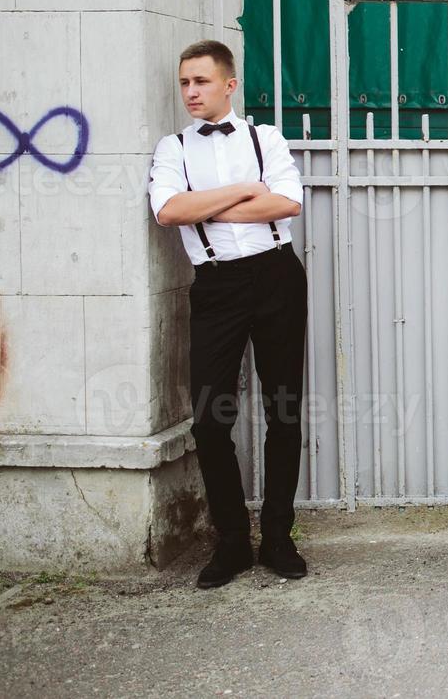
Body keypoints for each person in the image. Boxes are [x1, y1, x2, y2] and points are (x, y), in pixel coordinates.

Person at [148, 39, 309, 589]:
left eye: (201, 82)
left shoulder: (266, 138)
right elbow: (170, 210)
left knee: (283, 408)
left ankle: (279, 538)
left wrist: (207, 203)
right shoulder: (173, 148)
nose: (191, 92)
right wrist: (242, 191)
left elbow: (286, 202)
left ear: (229, 84)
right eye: (184, 83)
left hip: (276, 276)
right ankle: (233, 542)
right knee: (211, 419)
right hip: (215, 286)